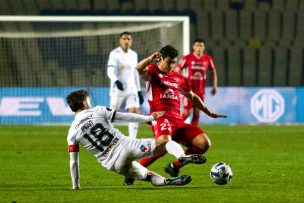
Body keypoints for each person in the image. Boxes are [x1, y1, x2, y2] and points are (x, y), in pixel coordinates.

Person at [66, 89, 208, 189]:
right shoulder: (97, 110)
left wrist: (76, 186)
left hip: (113, 164)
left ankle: (166, 181)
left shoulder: (72, 132)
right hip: (126, 146)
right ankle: (181, 156)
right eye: (88, 101)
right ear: (85, 104)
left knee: (148, 175)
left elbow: (74, 162)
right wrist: (149, 118)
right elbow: (125, 116)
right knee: (166, 142)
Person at [135, 45, 226, 178]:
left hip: (178, 121)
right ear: (160, 59)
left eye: (174, 62)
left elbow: (193, 97)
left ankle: (174, 166)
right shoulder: (152, 72)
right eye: (169, 62)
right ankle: (136, 170)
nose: (171, 65)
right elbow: (138, 68)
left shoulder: (179, 78)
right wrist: (150, 59)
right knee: (164, 145)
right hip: (160, 117)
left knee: (204, 144)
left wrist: (209, 112)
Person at [107, 31, 144, 139]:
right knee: (112, 115)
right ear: (120, 40)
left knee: (134, 112)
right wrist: (116, 80)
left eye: (128, 39)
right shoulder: (115, 54)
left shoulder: (134, 54)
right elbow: (110, 70)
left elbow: (135, 73)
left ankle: (132, 140)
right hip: (118, 90)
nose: (126, 41)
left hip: (131, 89)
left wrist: (138, 91)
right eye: (124, 38)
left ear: (131, 41)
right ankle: (107, 137)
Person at [175, 39, 218, 126]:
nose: (199, 47)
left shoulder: (207, 59)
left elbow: (213, 72)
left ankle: (192, 135)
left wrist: (214, 86)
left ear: (204, 47)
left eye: (201, 46)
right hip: (188, 90)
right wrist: (180, 82)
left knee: (197, 113)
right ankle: (174, 126)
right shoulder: (187, 58)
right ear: (193, 47)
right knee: (187, 112)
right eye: (197, 45)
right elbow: (177, 69)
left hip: (201, 90)